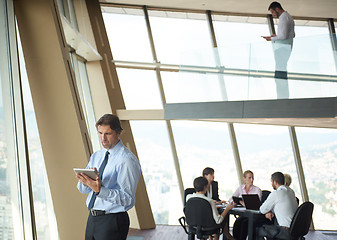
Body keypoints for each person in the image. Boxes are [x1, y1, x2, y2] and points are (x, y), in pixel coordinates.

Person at [76, 114, 141, 240]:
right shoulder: (97, 156)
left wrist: (100, 190)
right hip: (93, 218)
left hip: (113, 220)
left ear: (118, 133)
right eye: (100, 133)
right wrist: (86, 181)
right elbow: (83, 190)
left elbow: (127, 199)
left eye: (108, 133)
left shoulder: (126, 160)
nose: (103, 138)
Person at [263, 2, 295, 99]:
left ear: (277, 9)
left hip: (282, 48)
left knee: (279, 73)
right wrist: (277, 36)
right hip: (286, 47)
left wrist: (271, 39)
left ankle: (282, 97)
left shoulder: (283, 18)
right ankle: (283, 96)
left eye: (272, 12)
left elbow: (284, 36)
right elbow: (291, 35)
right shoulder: (289, 16)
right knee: (281, 71)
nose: (272, 15)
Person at [256, 172, 298, 240]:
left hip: (285, 231)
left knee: (258, 230)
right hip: (295, 230)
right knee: (270, 229)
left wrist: (267, 211)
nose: (271, 184)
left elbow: (262, 210)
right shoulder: (291, 191)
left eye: (271, 182)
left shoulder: (276, 193)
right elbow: (281, 207)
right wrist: (270, 211)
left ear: (275, 182)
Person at [231, 170, 262, 240]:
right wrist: (234, 202)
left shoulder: (257, 190)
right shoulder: (240, 188)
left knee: (244, 224)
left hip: (253, 215)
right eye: (249, 178)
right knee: (237, 223)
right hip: (244, 214)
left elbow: (256, 205)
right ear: (244, 179)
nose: (252, 180)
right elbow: (231, 198)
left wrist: (243, 203)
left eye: (252, 178)